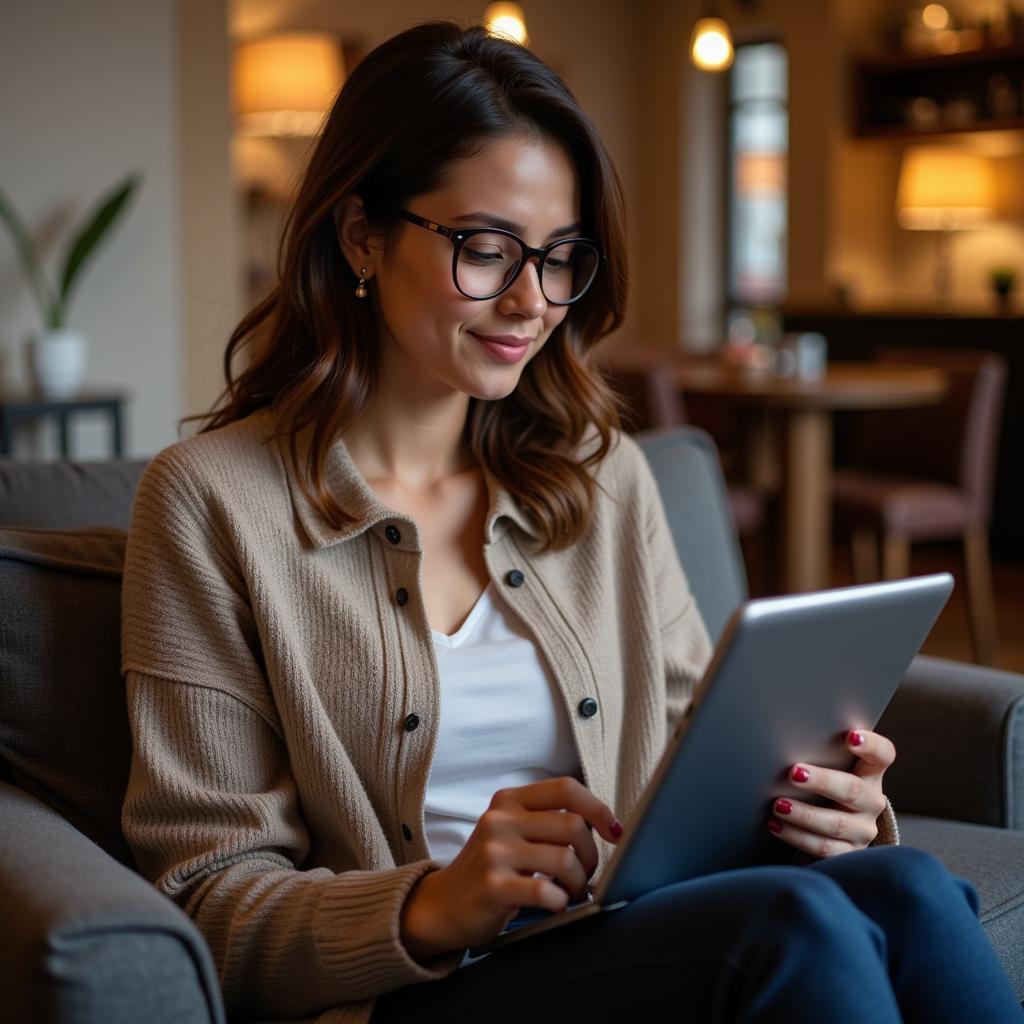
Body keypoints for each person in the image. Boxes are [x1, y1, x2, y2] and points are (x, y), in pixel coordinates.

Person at [120, 20, 1022, 1024]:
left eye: (558, 258)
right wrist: (435, 900)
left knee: (904, 884)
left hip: (632, 932)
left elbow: (697, 754)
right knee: (794, 929)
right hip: (419, 989)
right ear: (360, 234)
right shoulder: (210, 502)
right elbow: (206, 899)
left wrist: (825, 808)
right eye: (486, 249)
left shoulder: (598, 475)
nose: (529, 301)